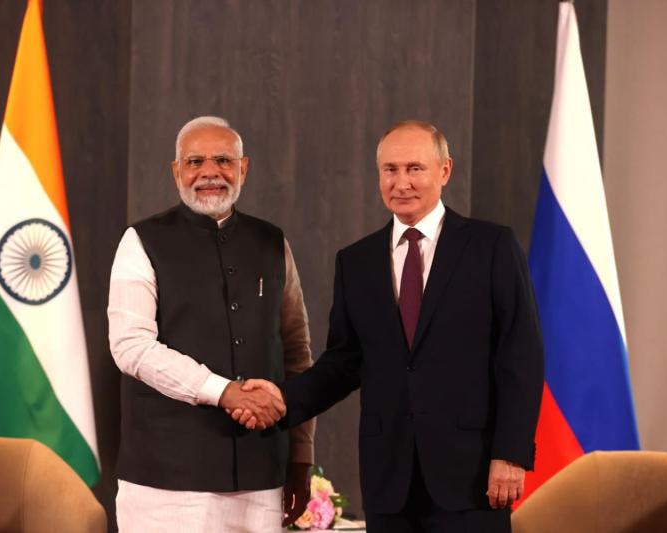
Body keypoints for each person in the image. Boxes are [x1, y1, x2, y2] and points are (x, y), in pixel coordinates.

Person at [238, 121, 544, 532]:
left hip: (472, 479)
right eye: (390, 170)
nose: (401, 183)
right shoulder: (356, 261)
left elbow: (520, 357)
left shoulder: (491, 247)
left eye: (415, 168)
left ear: (445, 171)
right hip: (389, 481)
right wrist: (283, 398)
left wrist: (510, 454)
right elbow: (344, 362)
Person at [108, 116, 315, 532]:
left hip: (261, 475)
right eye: (195, 161)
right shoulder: (141, 241)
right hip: (167, 480)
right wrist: (224, 391)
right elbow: (131, 347)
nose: (209, 172)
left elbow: (296, 354)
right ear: (176, 171)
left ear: (243, 168)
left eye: (223, 160)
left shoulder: (272, 242)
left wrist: (300, 457)